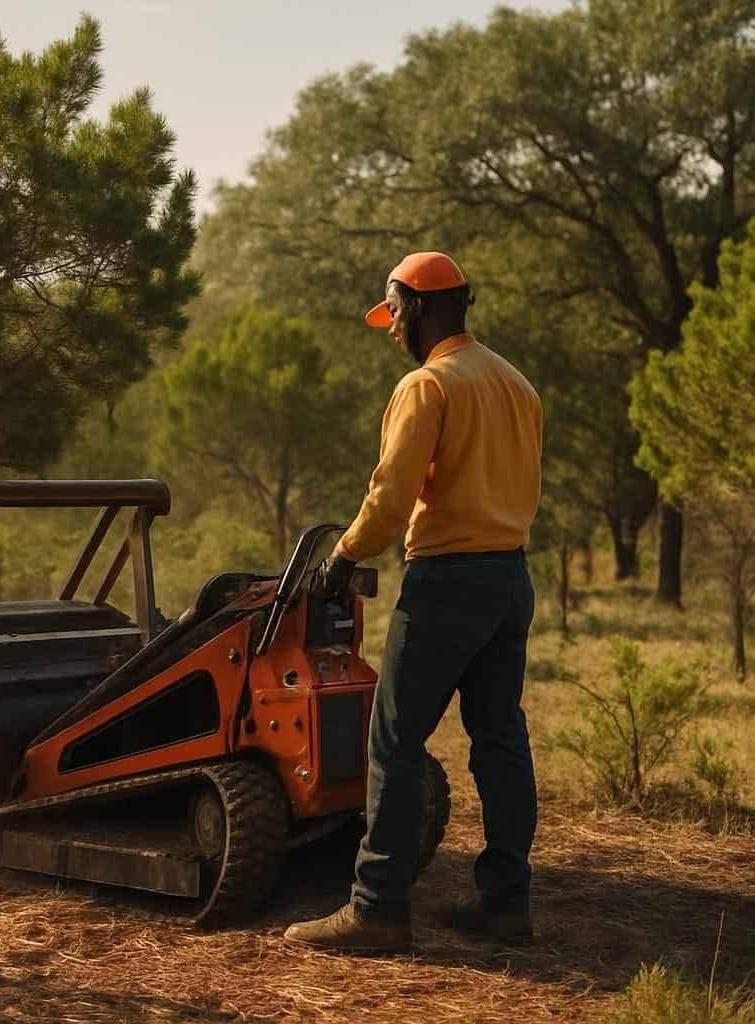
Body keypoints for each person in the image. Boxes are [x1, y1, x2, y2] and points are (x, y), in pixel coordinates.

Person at [285, 251, 544, 954]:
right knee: (500, 739)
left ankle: (376, 910)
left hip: (446, 583)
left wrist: (342, 557)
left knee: (393, 742)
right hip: (509, 579)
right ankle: (507, 904)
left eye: (394, 313)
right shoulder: (515, 384)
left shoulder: (428, 386)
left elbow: (391, 498)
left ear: (426, 307)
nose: (391, 328)